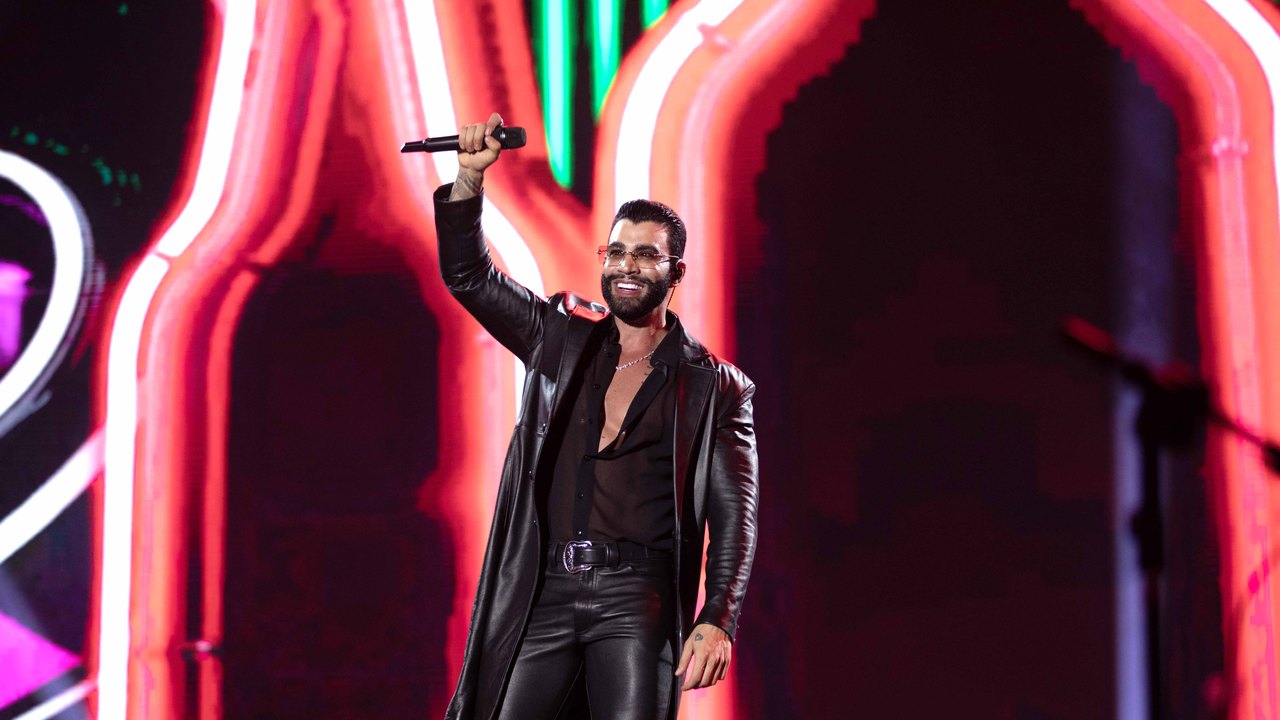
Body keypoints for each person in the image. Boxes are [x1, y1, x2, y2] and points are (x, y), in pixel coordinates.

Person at [433, 113, 758, 720]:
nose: (626, 266)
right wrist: (469, 181)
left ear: (676, 272)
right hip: (544, 590)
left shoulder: (714, 386)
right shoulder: (560, 339)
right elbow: (469, 277)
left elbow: (733, 517)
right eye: (616, 252)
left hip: (638, 601)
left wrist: (718, 618)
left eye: (646, 255)